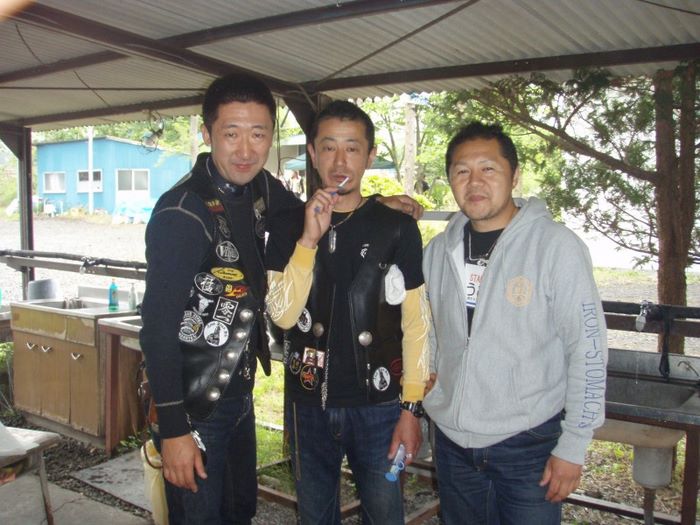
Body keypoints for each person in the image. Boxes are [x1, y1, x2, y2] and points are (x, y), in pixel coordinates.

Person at [139, 72, 423, 525]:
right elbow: (156, 329)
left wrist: (377, 206)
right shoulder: (182, 212)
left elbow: (322, 206)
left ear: (271, 137)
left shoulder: (259, 188)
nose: (245, 150)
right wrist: (173, 429)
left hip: (238, 394)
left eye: (258, 134)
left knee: (239, 512)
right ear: (207, 133)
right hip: (194, 406)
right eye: (231, 133)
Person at [422, 122, 608, 524]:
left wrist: (573, 445)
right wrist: (431, 377)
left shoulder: (555, 247)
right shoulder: (438, 251)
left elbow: (588, 349)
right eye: (461, 171)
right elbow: (433, 330)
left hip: (528, 444)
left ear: (515, 175)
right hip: (453, 443)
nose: (474, 182)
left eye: (488, 169)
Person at [265, 100, 431, 524]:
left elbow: (416, 324)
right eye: (329, 147)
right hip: (307, 402)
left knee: (385, 514)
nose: (340, 162)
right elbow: (282, 317)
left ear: (370, 155)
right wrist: (307, 241)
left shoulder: (397, 227)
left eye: (352, 148)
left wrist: (411, 408)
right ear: (312, 152)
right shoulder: (287, 226)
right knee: (315, 516)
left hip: (379, 404)